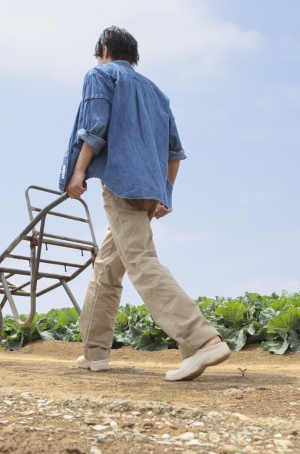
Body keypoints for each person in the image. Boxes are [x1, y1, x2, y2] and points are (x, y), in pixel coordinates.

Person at [60, 26, 231, 381]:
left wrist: (77, 173)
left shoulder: (100, 75)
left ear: (104, 50)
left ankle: (202, 341)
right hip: (149, 188)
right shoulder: (156, 92)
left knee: (140, 261)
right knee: (108, 266)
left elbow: (94, 127)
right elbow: (175, 152)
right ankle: (95, 352)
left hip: (121, 181)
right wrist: (165, 194)